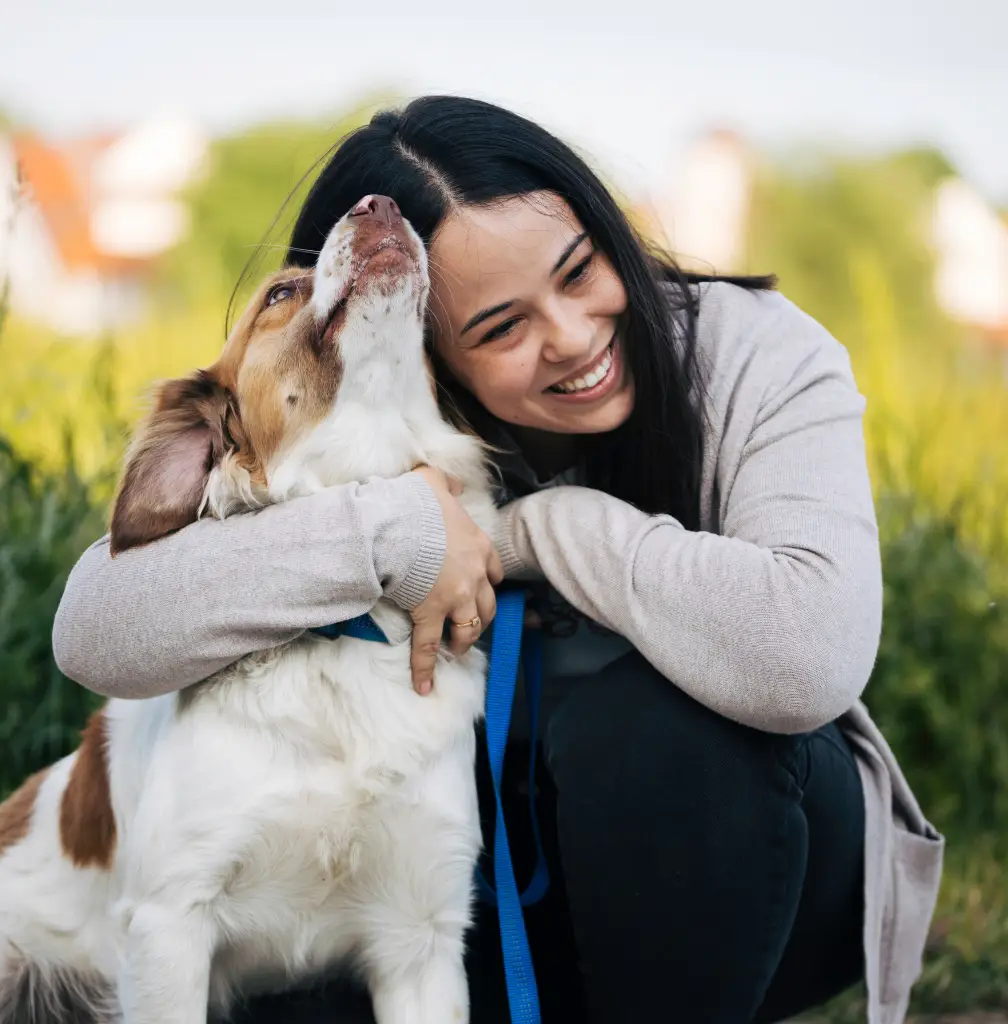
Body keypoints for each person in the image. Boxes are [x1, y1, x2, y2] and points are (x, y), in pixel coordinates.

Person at [52, 96, 943, 1024]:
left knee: (650, 727)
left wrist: (535, 531)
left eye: (580, 270)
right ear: (422, 343)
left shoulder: (757, 354)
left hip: (760, 881)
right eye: (502, 329)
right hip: (478, 907)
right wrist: (392, 529)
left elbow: (808, 655)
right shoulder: (387, 430)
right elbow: (96, 629)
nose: (572, 337)